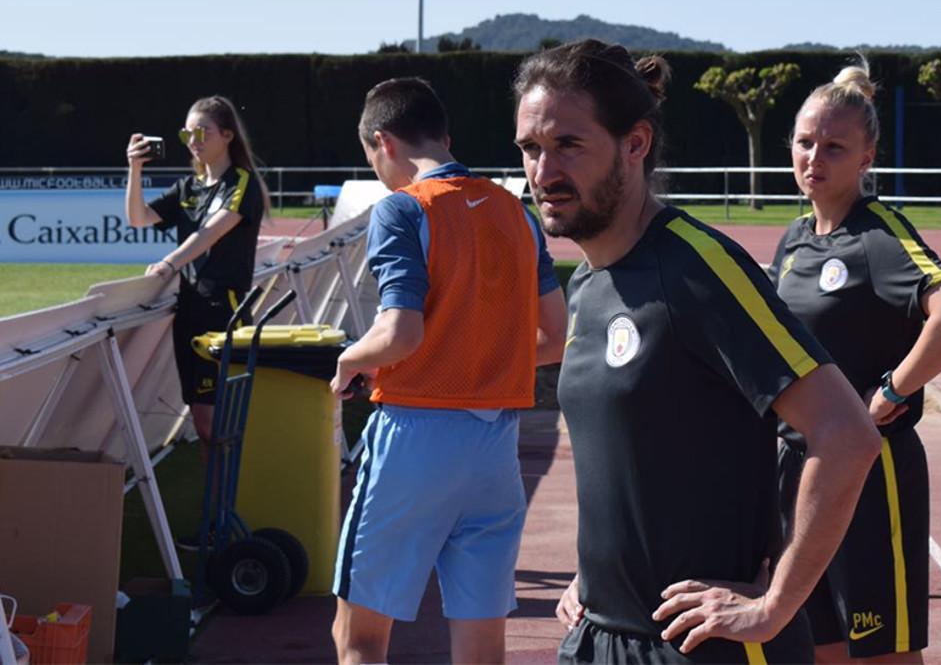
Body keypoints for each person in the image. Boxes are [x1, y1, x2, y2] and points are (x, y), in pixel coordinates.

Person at [513, 39, 880, 664]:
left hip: (703, 647)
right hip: (602, 635)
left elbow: (847, 433)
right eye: (531, 148)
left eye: (569, 145)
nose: (544, 172)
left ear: (635, 144)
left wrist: (773, 607)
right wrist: (596, 578)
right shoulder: (592, 286)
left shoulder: (696, 269)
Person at [328, 77, 568, 665]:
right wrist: (476, 356)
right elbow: (557, 337)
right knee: (481, 646)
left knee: (359, 640)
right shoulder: (516, 213)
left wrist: (348, 359)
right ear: (445, 137)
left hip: (414, 439)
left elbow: (399, 334)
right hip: (495, 445)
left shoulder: (402, 208)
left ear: (382, 141)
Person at [767, 60, 941, 663]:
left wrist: (890, 392)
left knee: (883, 654)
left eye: (834, 147)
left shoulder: (879, 236)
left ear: (867, 157)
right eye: (805, 143)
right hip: (799, 474)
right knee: (818, 646)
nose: (815, 158)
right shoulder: (794, 239)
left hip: (871, 476)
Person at [124, 95, 269, 548]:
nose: (194, 141)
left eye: (202, 131)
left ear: (227, 135)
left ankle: (226, 521)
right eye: (188, 133)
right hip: (189, 312)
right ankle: (218, 521)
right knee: (207, 426)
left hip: (219, 314)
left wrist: (168, 263)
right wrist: (134, 170)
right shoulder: (188, 188)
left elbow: (212, 233)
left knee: (213, 426)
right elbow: (138, 218)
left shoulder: (240, 183)